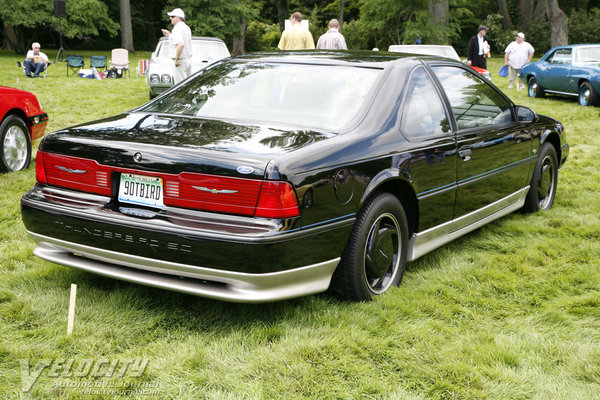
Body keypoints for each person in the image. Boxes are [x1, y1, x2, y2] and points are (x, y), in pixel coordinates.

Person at [161, 8, 193, 84]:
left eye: (172, 16)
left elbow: (181, 44)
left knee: (180, 87)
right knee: (188, 86)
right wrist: (170, 35)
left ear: (178, 18)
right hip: (187, 60)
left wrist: (176, 59)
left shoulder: (177, 29)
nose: (170, 18)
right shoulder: (186, 27)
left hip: (180, 61)